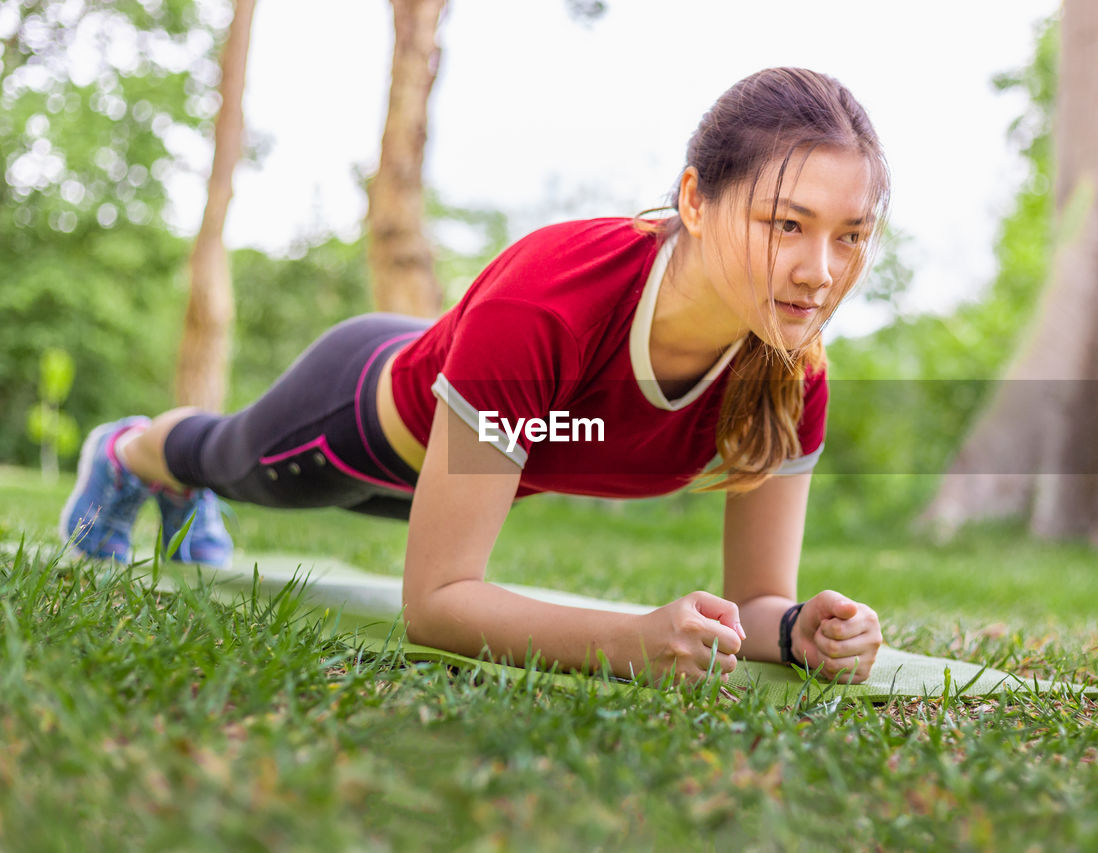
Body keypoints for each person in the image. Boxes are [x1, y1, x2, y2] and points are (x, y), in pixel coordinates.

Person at [61, 67, 888, 685]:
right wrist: (631, 641)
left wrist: (796, 630)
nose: (819, 271)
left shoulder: (793, 372)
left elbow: (756, 600)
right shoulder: (552, 301)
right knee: (222, 457)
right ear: (696, 201)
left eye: (850, 235)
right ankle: (129, 454)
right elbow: (439, 602)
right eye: (787, 223)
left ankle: (170, 485)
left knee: (221, 467)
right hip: (361, 422)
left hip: (484, 455)